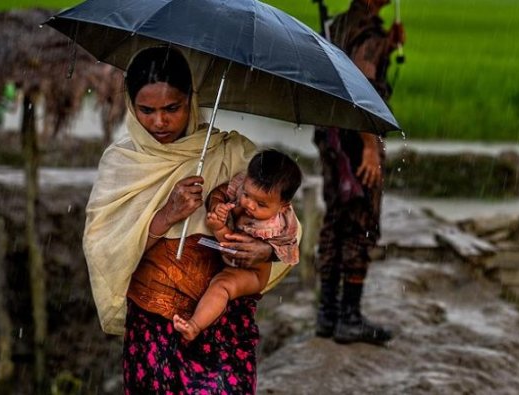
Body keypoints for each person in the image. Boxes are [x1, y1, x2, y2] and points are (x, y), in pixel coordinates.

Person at [83, 46, 279, 393]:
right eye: (147, 110)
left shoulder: (231, 153)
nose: (159, 122)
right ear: (131, 106)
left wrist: (262, 249)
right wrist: (167, 215)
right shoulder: (122, 163)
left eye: (172, 108)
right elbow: (103, 248)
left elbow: (282, 219)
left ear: (191, 99)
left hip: (220, 325)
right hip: (153, 325)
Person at [313, 0, 405, 345]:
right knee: (361, 222)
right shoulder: (366, 32)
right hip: (356, 139)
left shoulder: (341, 24)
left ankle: (328, 313)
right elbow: (360, 87)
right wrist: (369, 143)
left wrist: (389, 46)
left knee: (336, 219)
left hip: (333, 134)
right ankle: (349, 316)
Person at [173, 149, 302, 341]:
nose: (249, 205)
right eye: (247, 195)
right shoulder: (243, 185)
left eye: (261, 204)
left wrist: (218, 227)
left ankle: (194, 326)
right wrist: (218, 206)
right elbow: (221, 191)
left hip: (251, 273)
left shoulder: (277, 225)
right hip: (228, 255)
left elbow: (231, 244)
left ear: (283, 206)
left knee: (221, 285)